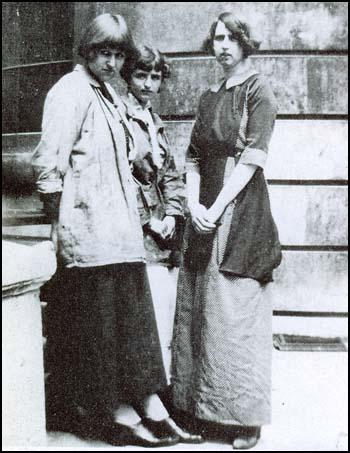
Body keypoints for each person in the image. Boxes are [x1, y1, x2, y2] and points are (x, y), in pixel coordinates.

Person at [32, 13, 192, 448]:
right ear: (87, 50)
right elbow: (49, 163)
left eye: (118, 54)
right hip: (89, 233)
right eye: (104, 52)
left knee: (133, 330)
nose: (111, 61)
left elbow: (135, 155)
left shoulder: (106, 95)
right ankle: (115, 411)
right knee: (100, 330)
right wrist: (56, 226)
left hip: (120, 235)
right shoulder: (70, 91)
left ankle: (150, 405)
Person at [171, 12, 282, 450]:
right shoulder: (207, 97)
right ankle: (200, 408)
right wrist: (194, 203)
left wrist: (215, 208)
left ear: (245, 43)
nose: (222, 46)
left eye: (231, 38)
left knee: (235, 310)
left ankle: (243, 419)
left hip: (240, 211)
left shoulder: (259, 90)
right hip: (205, 211)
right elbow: (195, 156)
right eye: (216, 38)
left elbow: (254, 157)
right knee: (201, 308)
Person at [120, 46, 185, 382]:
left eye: (155, 77)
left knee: (167, 310)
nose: (147, 84)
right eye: (140, 75)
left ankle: (166, 389)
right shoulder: (121, 117)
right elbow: (124, 178)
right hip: (138, 231)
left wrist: (173, 212)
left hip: (165, 232)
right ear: (128, 76)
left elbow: (171, 173)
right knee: (147, 315)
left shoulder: (154, 121)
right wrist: (150, 221)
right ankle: (152, 392)